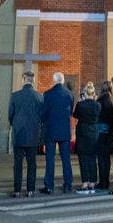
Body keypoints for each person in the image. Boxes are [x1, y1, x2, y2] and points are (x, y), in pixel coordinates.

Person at [8, 70, 44, 198]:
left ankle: (17, 190)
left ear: (23, 80)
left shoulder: (15, 95)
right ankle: (30, 190)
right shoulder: (39, 96)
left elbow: (10, 116)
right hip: (33, 134)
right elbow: (42, 116)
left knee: (17, 164)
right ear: (33, 81)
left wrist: (16, 124)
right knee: (32, 164)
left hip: (19, 133)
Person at [41, 72, 74, 194]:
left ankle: (49, 186)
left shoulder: (48, 94)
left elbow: (43, 113)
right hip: (64, 131)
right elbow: (70, 112)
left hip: (51, 130)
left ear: (54, 81)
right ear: (63, 81)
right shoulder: (69, 94)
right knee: (66, 159)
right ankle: (68, 185)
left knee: (50, 159)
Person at [73, 82, 101, 194]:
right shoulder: (98, 105)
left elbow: (75, 115)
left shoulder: (81, 105)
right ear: (94, 93)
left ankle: (85, 183)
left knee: (83, 159)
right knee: (93, 159)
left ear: (85, 93)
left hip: (82, 133)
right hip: (94, 133)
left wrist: (80, 101)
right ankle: (92, 183)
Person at [95, 81, 113, 190]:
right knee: (107, 159)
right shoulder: (112, 99)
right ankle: (106, 181)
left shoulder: (100, 100)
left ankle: (102, 182)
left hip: (101, 131)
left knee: (101, 158)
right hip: (109, 131)